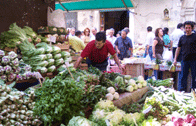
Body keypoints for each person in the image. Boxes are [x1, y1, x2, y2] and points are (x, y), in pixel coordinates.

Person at [174, 21, 196, 91]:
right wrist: (175, 59)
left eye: (189, 28)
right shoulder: (182, 38)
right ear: (184, 28)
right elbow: (178, 49)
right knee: (183, 77)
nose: (187, 29)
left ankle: (194, 91)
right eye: (186, 28)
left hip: (194, 60)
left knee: (194, 77)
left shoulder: (195, 36)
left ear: (192, 28)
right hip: (184, 60)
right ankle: (182, 91)